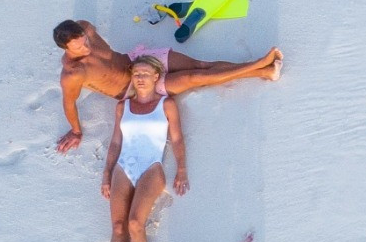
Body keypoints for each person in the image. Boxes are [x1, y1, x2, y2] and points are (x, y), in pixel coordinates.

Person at [53, 19, 279, 153]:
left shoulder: (85, 27)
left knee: (201, 64)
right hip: (135, 88)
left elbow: (97, 43)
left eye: (85, 42)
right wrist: (76, 131)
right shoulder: (73, 74)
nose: (87, 48)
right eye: (79, 48)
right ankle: (258, 66)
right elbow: (69, 103)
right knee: (195, 77)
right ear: (66, 48)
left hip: (136, 61)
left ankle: (265, 71)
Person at [101, 56, 187, 242]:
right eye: (136, 73)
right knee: (118, 227)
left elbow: (178, 139)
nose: (139, 78)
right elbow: (116, 142)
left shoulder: (166, 104)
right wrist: (106, 173)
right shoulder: (123, 107)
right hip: (123, 166)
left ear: (156, 77)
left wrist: (181, 169)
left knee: (135, 224)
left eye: (145, 73)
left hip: (151, 167)